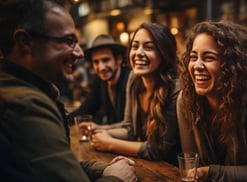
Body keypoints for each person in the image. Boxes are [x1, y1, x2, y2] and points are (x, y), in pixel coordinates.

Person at [0, 0, 136, 181]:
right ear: (25, 42)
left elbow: (57, 168)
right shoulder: (25, 105)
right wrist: (118, 178)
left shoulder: (20, 90)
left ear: (119, 60)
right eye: (69, 41)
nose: (79, 53)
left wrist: (105, 169)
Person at [177, 21, 247, 181]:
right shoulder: (186, 100)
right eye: (193, 57)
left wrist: (208, 172)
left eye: (208, 58)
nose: (197, 65)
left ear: (232, 65)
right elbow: (192, 167)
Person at [83, 23, 182, 166]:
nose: (138, 53)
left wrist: (110, 143)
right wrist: (99, 130)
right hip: (147, 166)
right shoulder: (134, 79)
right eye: (135, 46)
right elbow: (130, 129)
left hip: (172, 171)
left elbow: (159, 149)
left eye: (148, 47)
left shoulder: (176, 89)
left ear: (163, 53)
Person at [70, 34, 131, 125]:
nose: (101, 67)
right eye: (96, 62)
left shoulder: (130, 80)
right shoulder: (99, 81)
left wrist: (99, 129)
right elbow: (85, 110)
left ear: (119, 59)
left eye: (105, 60)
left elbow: (130, 126)